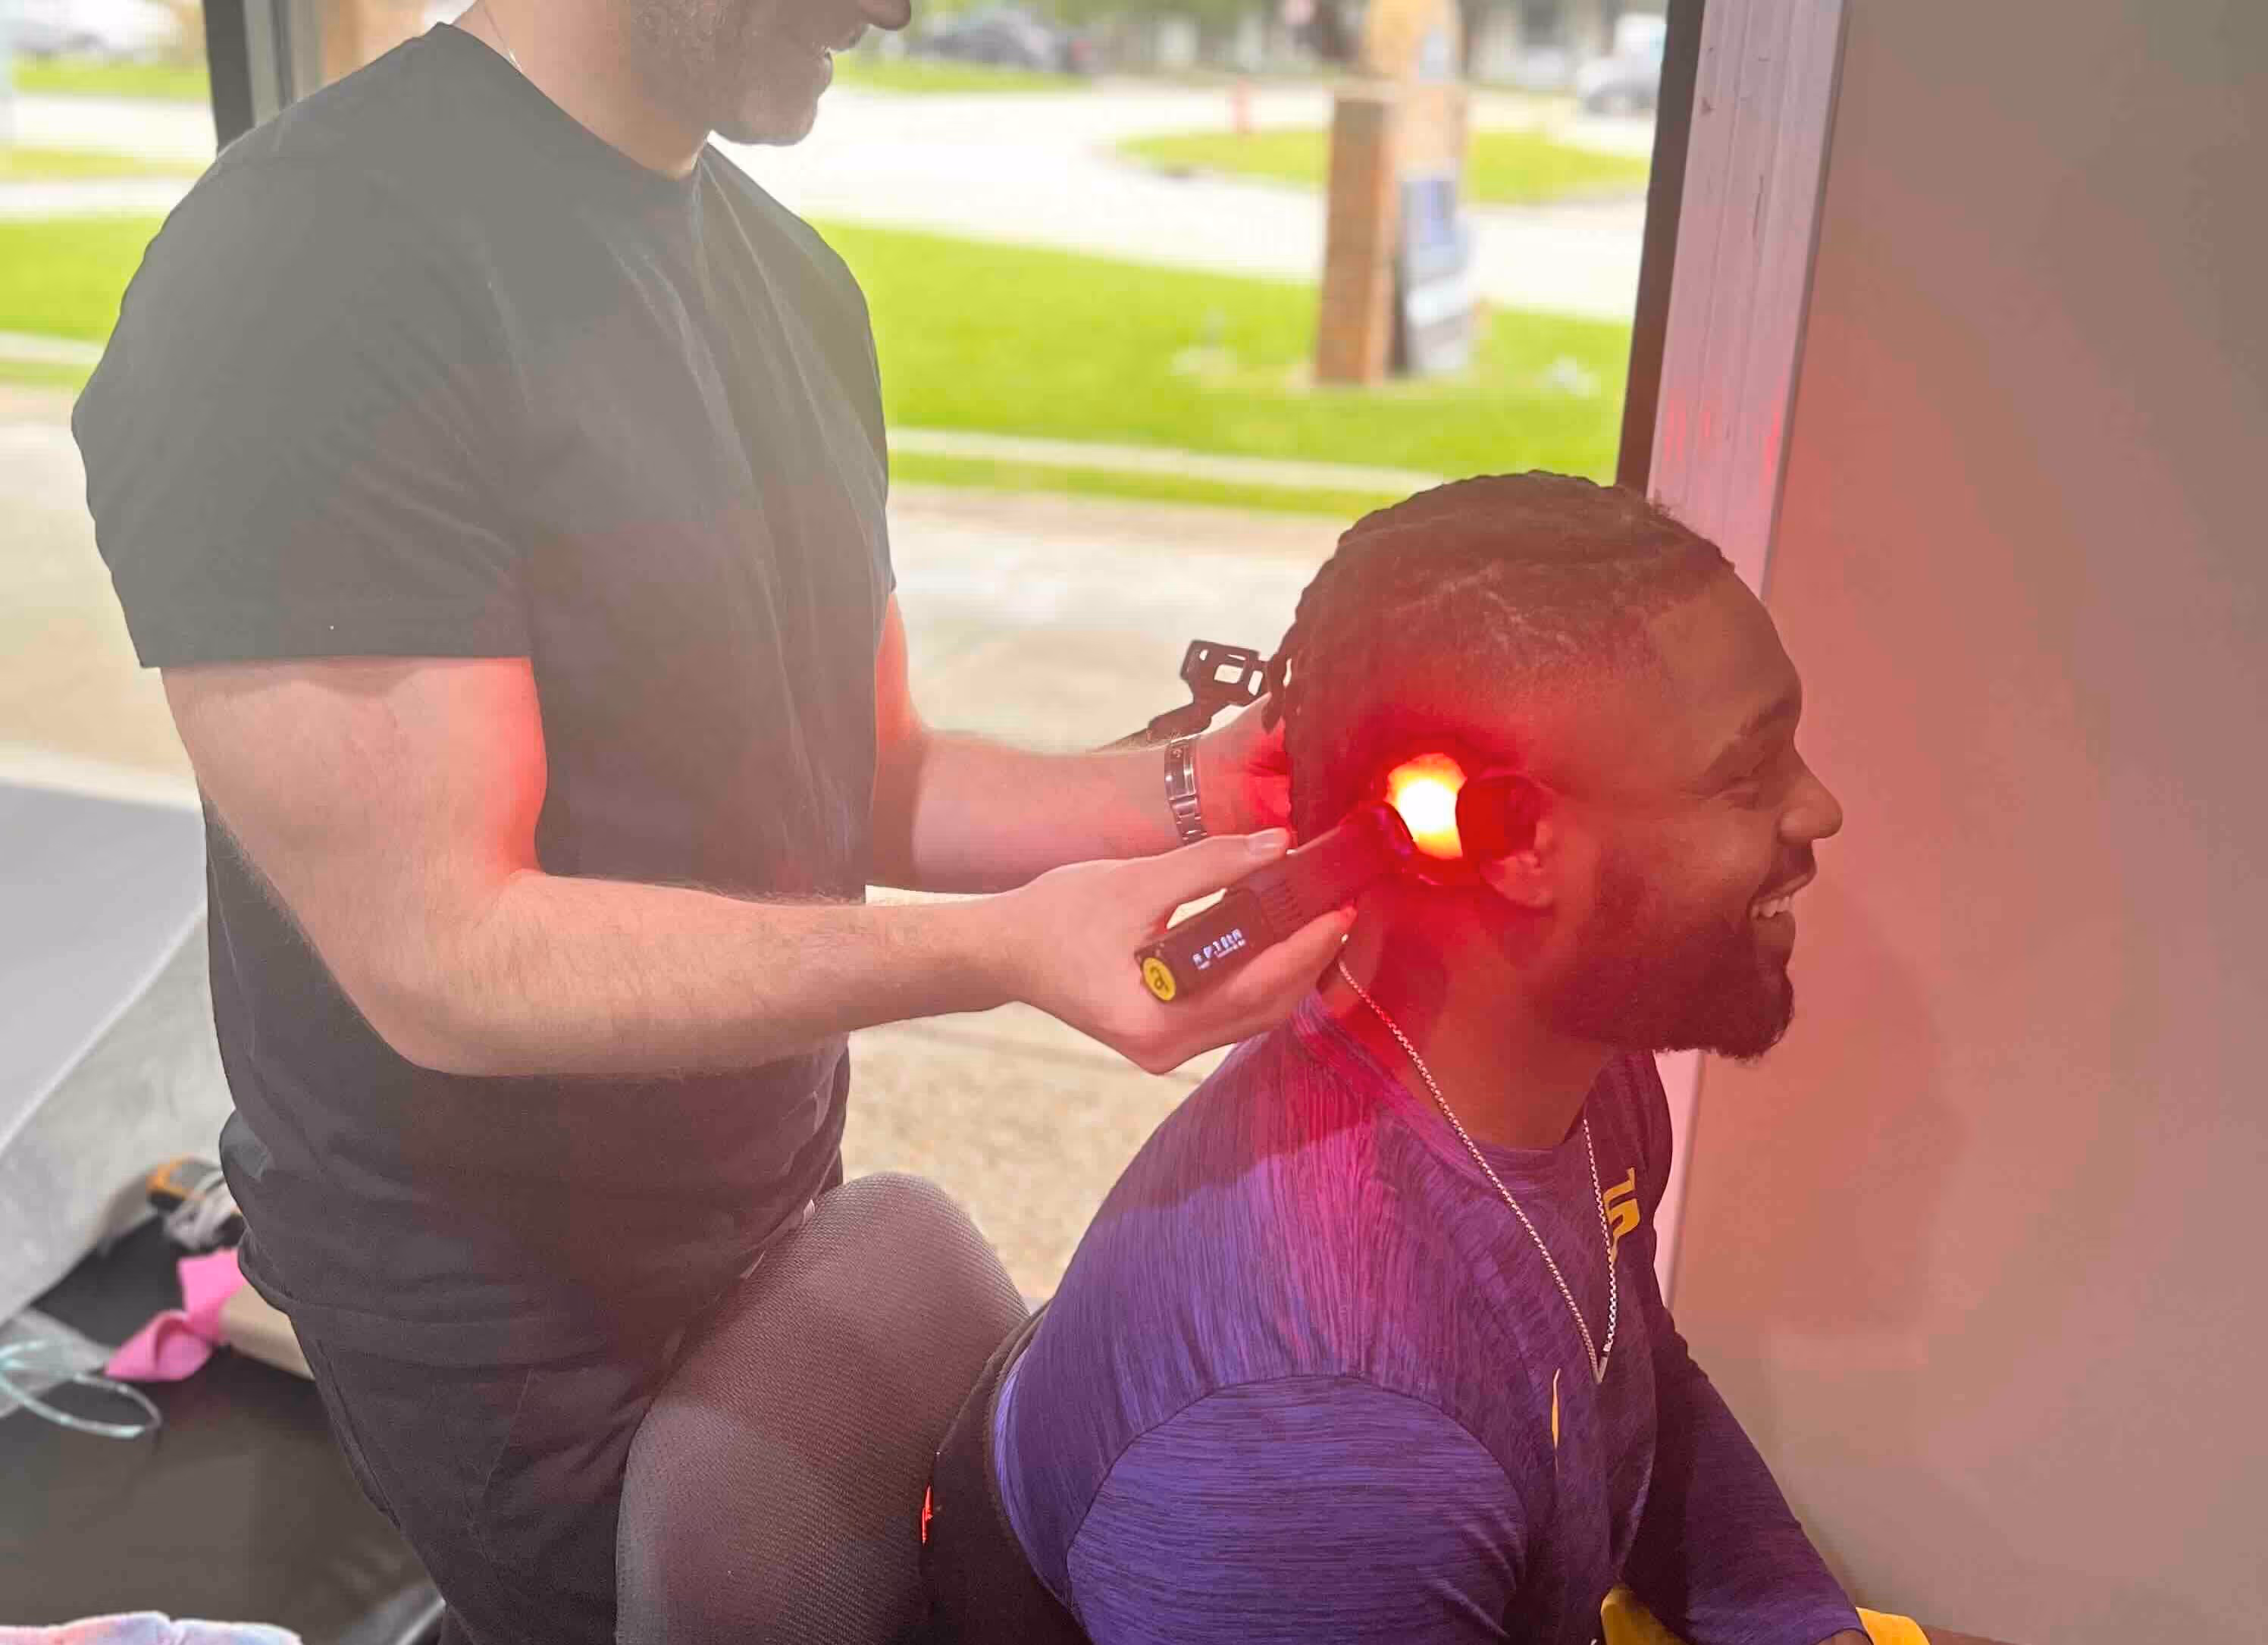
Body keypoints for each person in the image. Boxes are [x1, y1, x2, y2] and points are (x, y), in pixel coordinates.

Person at [68, 5, 1350, 1643]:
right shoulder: (304, 277)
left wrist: (1197, 790)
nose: (899, 6)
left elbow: (866, 773)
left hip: (765, 1199)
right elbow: (444, 955)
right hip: (501, 1324)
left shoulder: (794, 287)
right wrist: (1000, 954)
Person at [929, 474, 1872, 1645]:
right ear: (1518, 841)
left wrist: (1801, 1624)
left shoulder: (1573, 1072)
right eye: (1750, 772)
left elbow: (1626, 1374)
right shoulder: (1334, 1444)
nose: (1818, 808)